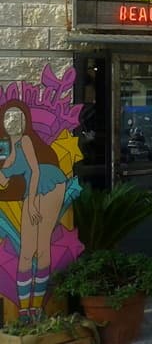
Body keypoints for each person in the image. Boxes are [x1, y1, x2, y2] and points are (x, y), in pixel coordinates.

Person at [0, 100, 76, 321]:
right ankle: (26, 310)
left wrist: (31, 202)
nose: (12, 121)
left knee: (40, 245)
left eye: (17, 117)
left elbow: (34, 171)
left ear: (25, 121)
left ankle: (37, 308)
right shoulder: (9, 147)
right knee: (27, 251)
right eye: (8, 117)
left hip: (49, 183)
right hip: (33, 189)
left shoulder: (25, 141)